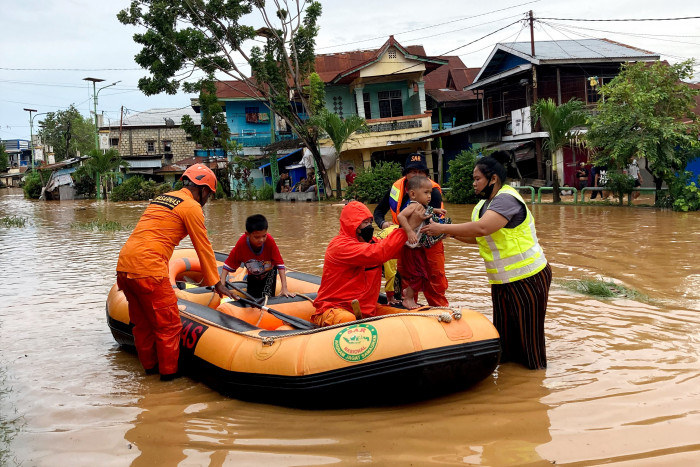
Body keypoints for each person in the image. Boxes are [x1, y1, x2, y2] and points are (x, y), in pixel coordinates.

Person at [421, 151, 552, 370]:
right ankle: (510, 382)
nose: (474, 184)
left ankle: (535, 382)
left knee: (530, 340)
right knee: (505, 337)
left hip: (528, 277)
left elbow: (483, 227)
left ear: (493, 179)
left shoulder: (506, 200)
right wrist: (450, 234)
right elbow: (478, 236)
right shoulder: (483, 206)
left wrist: (442, 227)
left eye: (477, 179)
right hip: (502, 281)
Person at [116, 164, 235, 381]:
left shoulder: (163, 198)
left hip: (124, 267)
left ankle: (150, 372)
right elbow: (203, 246)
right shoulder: (191, 207)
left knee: (142, 326)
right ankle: (168, 379)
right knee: (169, 326)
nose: (207, 200)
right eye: (209, 195)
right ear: (204, 190)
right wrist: (216, 283)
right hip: (149, 270)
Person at [311, 201, 415, 326]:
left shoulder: (371, 242)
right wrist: (405, 230)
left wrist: (417, 232)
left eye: (370, 222)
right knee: (347, 320)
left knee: (404, 317)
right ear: (353, 225)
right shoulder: (340, 246)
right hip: (335, 308)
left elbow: (394, 249)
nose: (369, 227)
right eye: (365, 223)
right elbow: (379, 253)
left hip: (367, 310)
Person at [373, 153, 449, 307]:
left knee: (434, 279)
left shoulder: (432, 191)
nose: (417, 175)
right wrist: (382, 224)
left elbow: (427, 213)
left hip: (428, 241)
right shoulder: (395, 188)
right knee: (403, 275)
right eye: (413, 171)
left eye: (421, 172)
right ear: (406, 174)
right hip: (405, 240)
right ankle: (405, 305)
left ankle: (439, 308)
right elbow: (379, 211)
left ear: (426, 175)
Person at [396, 175, 451, 309]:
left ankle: (407, 293)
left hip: (417, 248)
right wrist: (409, 231)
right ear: (413, 194)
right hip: (410, 249)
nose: (429, 196)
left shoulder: (420, 206)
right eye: (426, 192)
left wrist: (436, 210)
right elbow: (400, 216)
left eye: (430, 193)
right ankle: (408, 298)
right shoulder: (413, 206)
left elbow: (427, 211)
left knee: (425, 275)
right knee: (418, 276)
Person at [220, 214, 294, 299]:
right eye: (257, 237)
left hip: (269, 273)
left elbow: (280, 264)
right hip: (253, 275)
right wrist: (222, 284)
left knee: (266, 296)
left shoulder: (269, 241)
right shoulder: (241, 244)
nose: (261, 240)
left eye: (264, 236)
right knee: (252, 298)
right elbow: (228, 265)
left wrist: (284, 288)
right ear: (247, 234)